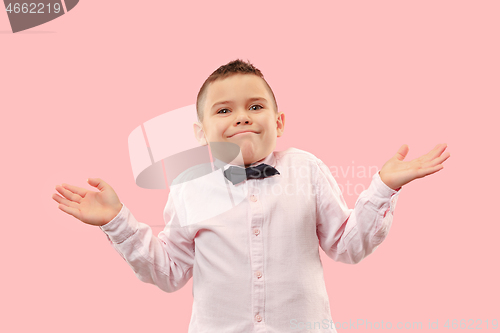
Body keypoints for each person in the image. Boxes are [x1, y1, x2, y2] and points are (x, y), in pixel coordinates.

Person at [52, 59, 450, 333]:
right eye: (223, 111)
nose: (242, 116)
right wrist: (117, 221)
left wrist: (383, 187)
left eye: (255, 106)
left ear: (278, 121)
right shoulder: (188, 185)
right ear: (199, 132)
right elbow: (169, 271)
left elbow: (347, 246)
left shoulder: (306, 168)